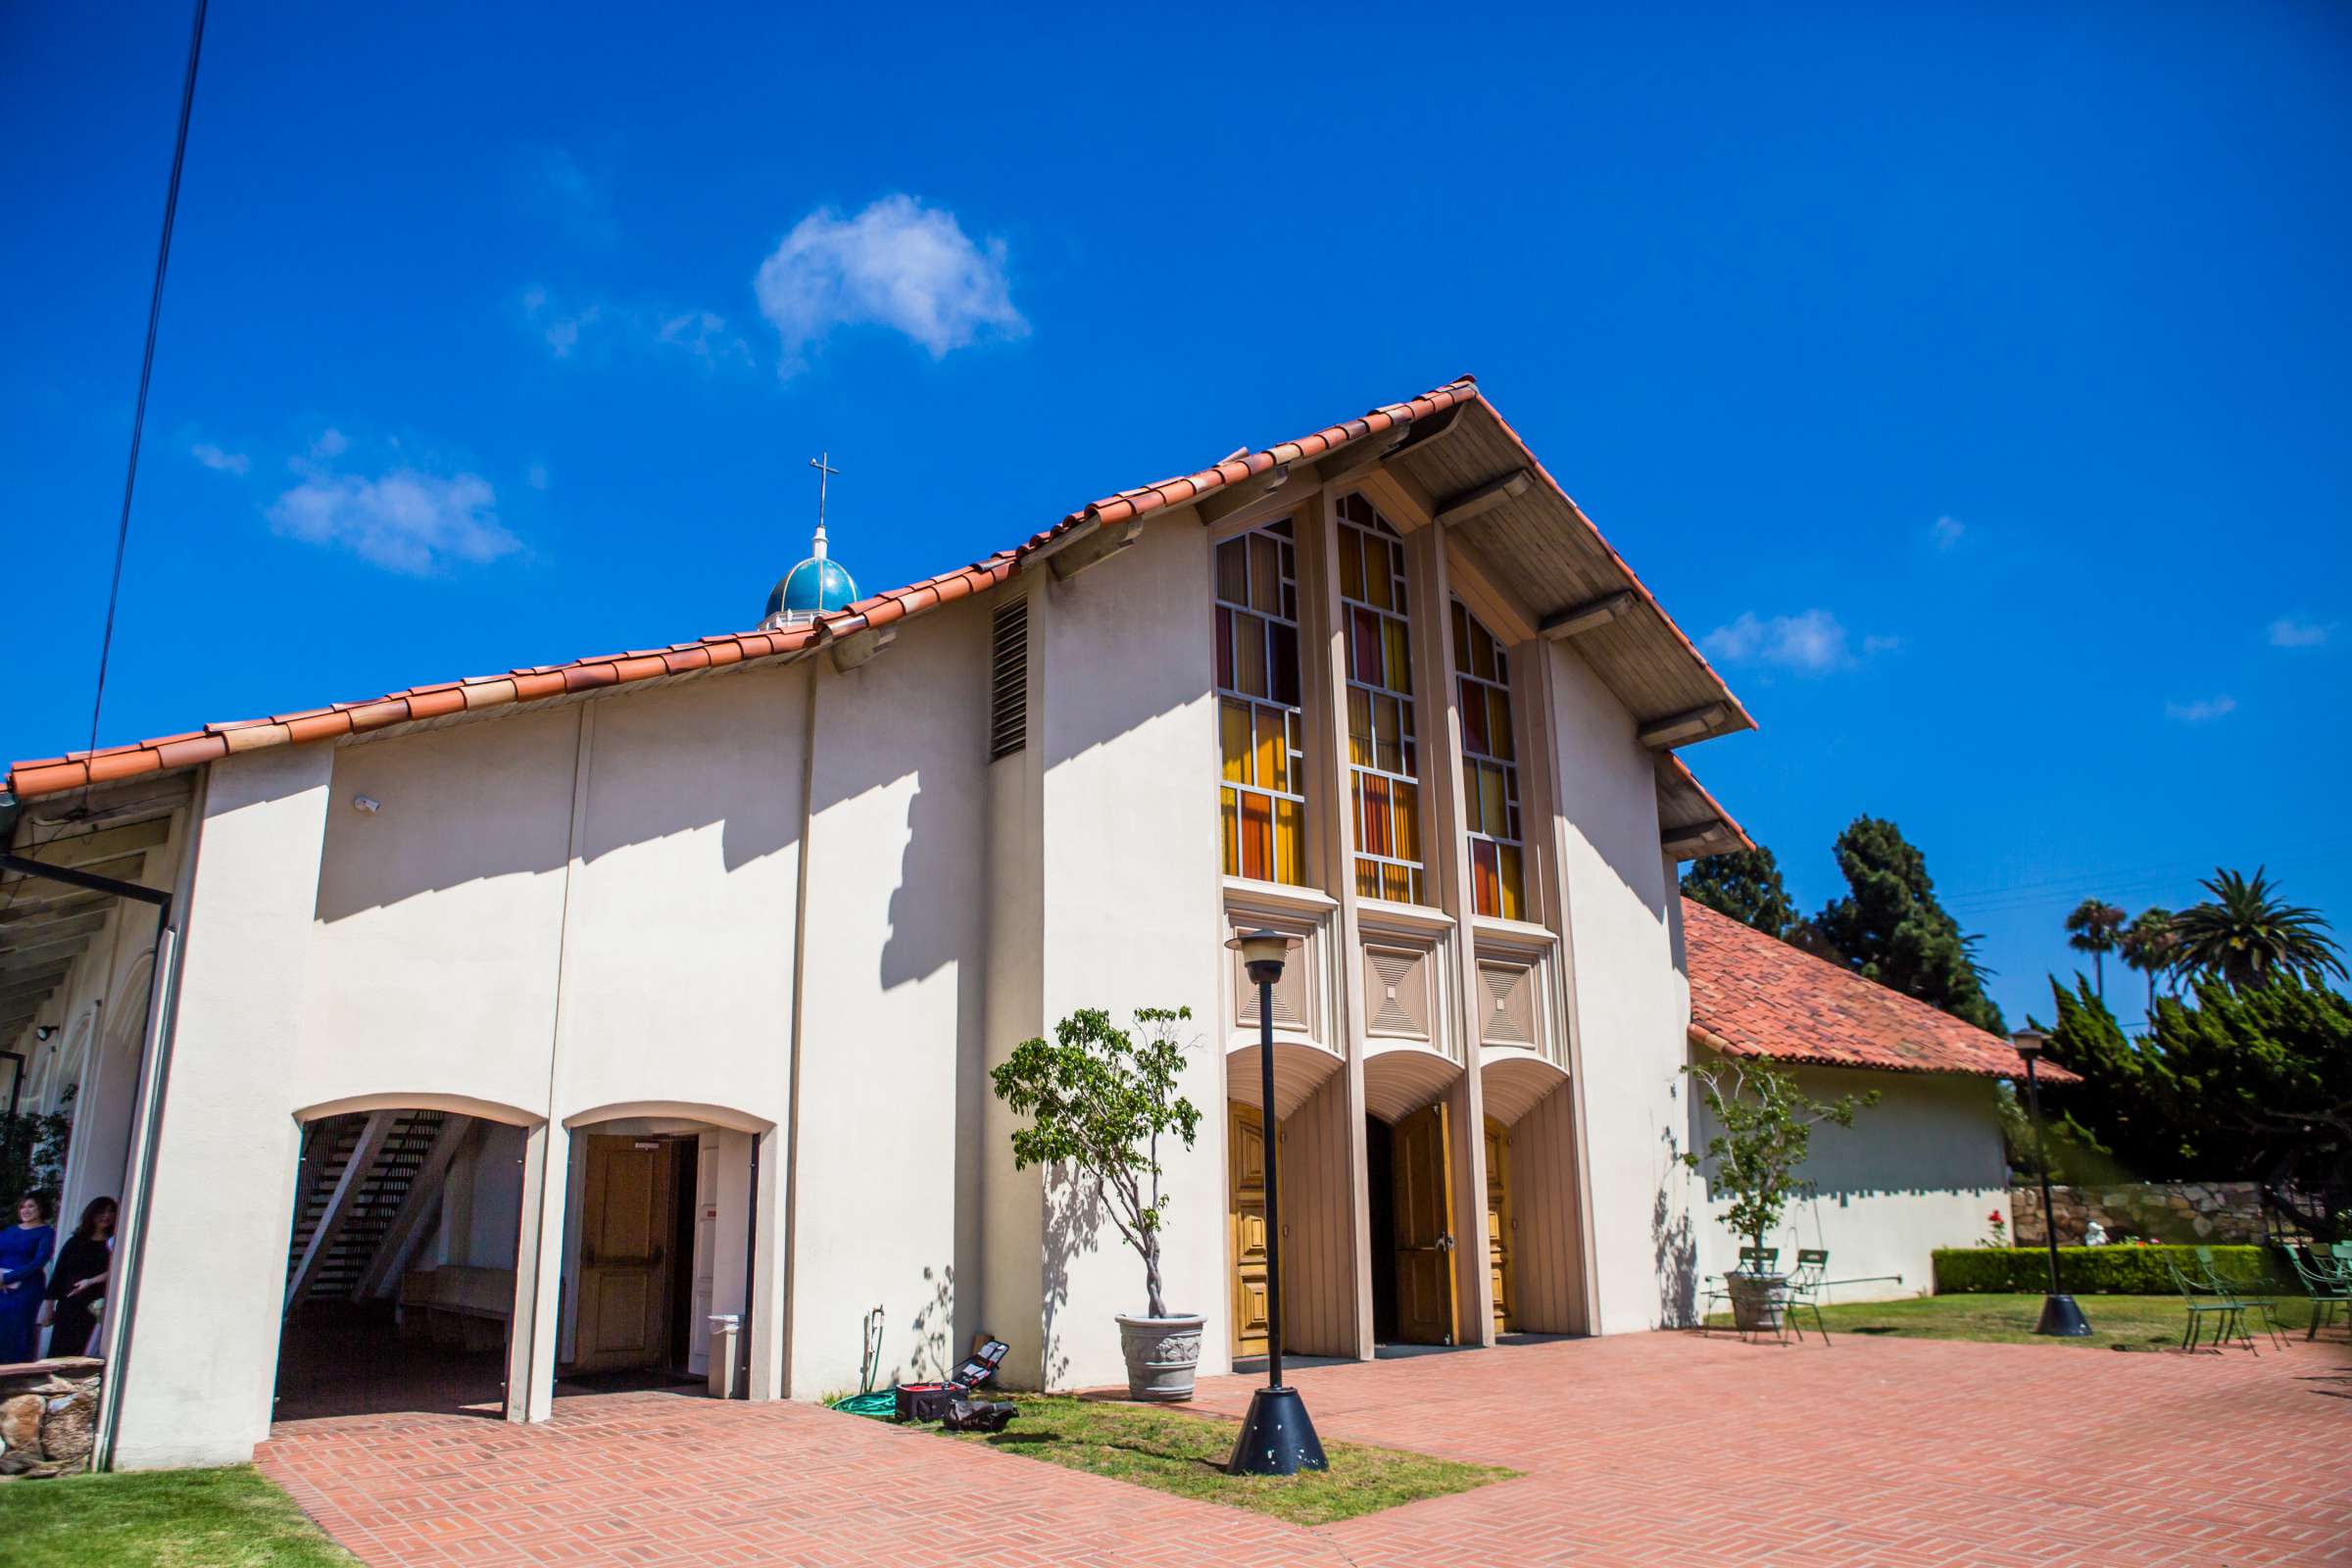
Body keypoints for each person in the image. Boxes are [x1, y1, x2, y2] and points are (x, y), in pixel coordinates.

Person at [43, 1197, 117, 1359]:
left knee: (85, 1350)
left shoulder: (115, 1244)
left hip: (95, 1304)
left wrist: (90, 1281)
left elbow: (117, 1270)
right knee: (61, 1350)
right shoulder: (74, 1242)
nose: (107, 1215)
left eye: (111, 1211)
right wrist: (48, 1308)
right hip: (69, 1304)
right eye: (102, 1211)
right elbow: (58, 1275)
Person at [0, 1194, 57, 1363]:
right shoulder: (9, 1231)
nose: (26, 1210)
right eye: (22, 1207)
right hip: (2, 1286)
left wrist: (8, 1278)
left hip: (27, 1288)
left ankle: (15, 1372)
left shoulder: (46, 1233)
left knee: (18, 1329)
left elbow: (39, 1261)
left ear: (40, 1208)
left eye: (31, 1206)